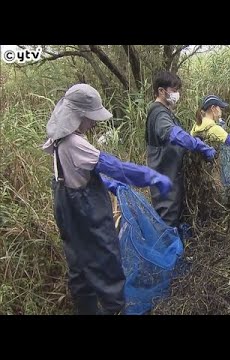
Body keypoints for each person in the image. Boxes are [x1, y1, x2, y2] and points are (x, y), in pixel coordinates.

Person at [42, 83, 173, 315]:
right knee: (106, 260)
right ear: (77, 116)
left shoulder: (58, 139)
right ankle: (115, 310)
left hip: (67, 209)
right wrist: (151, 176)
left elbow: (76, 171)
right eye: (91, 117)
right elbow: (114, 166)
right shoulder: (74, 142)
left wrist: (108, 184)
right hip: (85, 211)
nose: (94, 122)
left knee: (79, 264)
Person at [145, 71, 216, 231]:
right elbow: (173, 133)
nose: (177, 94)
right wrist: (199, 146)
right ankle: (168, 253)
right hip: (164, 177)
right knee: (167, 217)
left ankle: (175, 244)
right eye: (174, 90)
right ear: (161, 91)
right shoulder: (159, 113)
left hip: (171, 175)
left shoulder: (165, 112)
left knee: (174, 215)